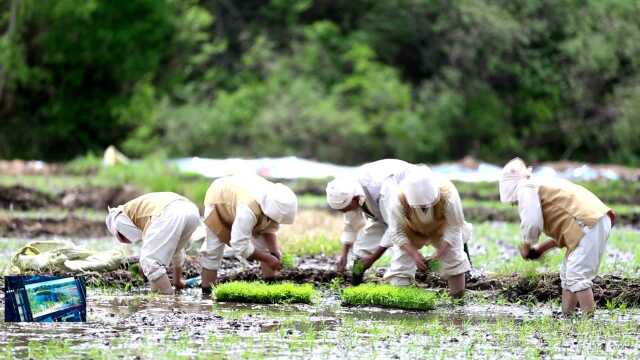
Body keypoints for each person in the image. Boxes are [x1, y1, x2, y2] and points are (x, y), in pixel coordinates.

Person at [499, 158, 615, 315]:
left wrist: (527, 245)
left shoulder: (525, 187)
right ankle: (567, 316)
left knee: (577, 275)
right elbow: (565, 229)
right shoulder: (541, 184)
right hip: (593, 220)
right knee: (568, 274)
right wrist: (541, 249)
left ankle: (590, 323)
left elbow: (532, 223)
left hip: (586, 222)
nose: (516, 205)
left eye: (515, 202)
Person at [381, 166, 472, 298]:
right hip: (411, 230)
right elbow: (396, 232)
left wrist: (441, 252)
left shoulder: (448, 193)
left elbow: (454, 226)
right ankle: (403, 299)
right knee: (401, 266)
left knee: (454, 259)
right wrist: (414, 254)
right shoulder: (398, 198)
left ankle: (457, 299)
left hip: (442, 228)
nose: (424, 208)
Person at [199, 174, 298, 295]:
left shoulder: (274, 198)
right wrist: (267, 258)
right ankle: (206, 294)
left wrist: (274, 252)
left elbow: (270, 228)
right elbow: (239, 245)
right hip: (220, 200)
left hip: (240, 198)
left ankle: (271, 287)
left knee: (266, 249)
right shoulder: (248, 210)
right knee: (213, 251)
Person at [326, 159, 415, 283]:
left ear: (356, 198)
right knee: (360, 254)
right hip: (381, 213)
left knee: (399, 273)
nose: (345, 212)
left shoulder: (383, 187)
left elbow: (395, 227)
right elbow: (350, 223)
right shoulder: (348, 188)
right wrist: (344, 254)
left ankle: (403, 287)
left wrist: (373, 258)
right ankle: (355, 286)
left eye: (347, 208)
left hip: (409, 215)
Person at [105, 192, 201, 294]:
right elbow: (176, 252)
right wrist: (177, 282)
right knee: (157, 260)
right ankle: (162, 294)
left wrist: (145, 266)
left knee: (148, 261)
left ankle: (167, 300)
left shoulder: (119, 218)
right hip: (191, 211)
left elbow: (148, 258)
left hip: (168, 212)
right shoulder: (139, 211)